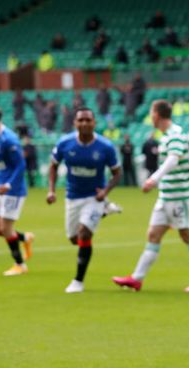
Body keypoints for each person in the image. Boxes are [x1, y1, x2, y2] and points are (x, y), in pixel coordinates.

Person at [113, 100, 189, 292]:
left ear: (156, 114)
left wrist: (154, 179)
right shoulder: (166, 136)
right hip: (166, 196)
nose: (150, 117)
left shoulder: (175, 134)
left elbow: (173, 160)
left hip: (180, 196)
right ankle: (137, 278)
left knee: (187, 234)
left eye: (151, 113)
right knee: (153, 234)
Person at [47, 107, 121, 293]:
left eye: (88, 120)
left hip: (94, 197)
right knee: (74, 239)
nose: (85, 123)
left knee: (84, 234)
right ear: (75, 123)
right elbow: (53, 166)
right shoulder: (65, 143)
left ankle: (78, 282)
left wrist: (105, 191)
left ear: (94, 123)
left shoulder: (105, 146)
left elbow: (117, 173)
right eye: (81, 120)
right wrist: (51, 191)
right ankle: (105, 210)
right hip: (72, 197)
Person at [0, 104, 34, 276]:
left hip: (13, 189)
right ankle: (25, 238)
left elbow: (20, 166)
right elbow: (1, 166)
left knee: (6, 228)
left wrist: (9, 185)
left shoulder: (9, 139)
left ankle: (20, 264)